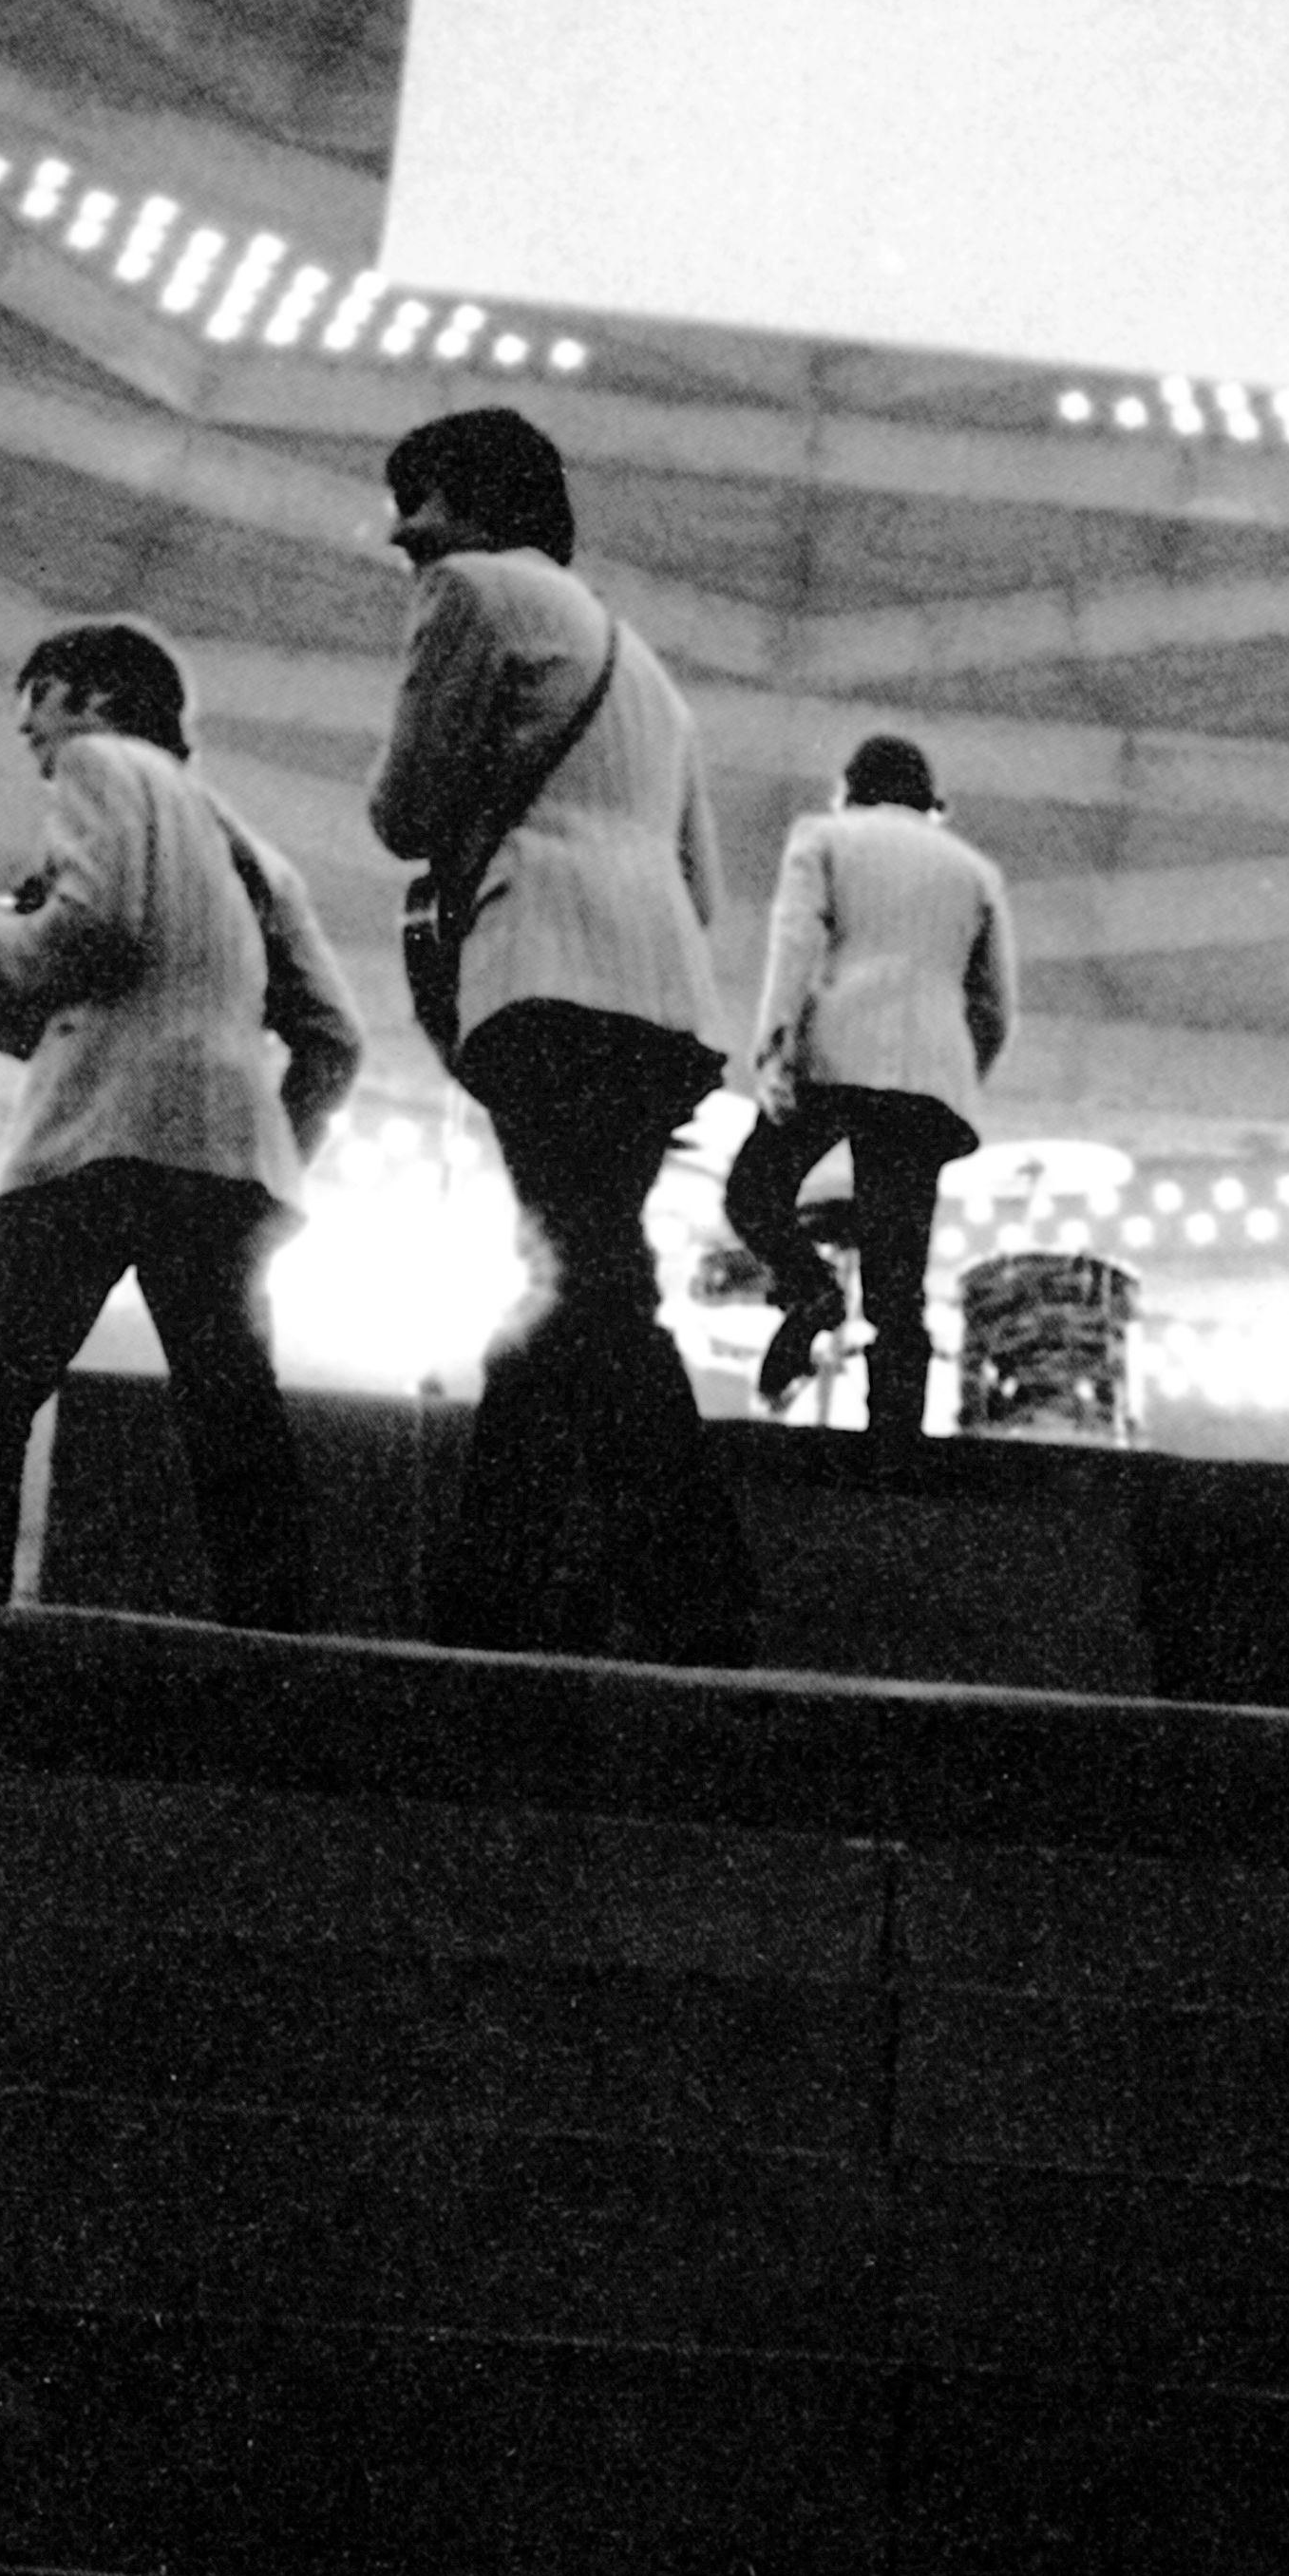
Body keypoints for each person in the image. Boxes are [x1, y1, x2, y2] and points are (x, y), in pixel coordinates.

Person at [368, 407, 757, 1664]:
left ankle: (694, 1595)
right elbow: (703, 882)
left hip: (545, 971)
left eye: (417, 496)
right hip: (659, 994)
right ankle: (502, 1594)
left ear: (480, 503)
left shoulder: (470, 592)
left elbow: (405, 805)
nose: (401, 528)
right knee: (573, 1273)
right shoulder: (643, 665)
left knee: (588, 1282)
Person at [0, 619, 358, 1632]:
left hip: (96, 1142)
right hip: (230, 1161)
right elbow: (335, 1038)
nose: (29, 734)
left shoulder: (96, 764)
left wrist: (2, 942)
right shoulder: (257, 857)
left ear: (94, 701)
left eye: (38, 702)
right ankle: (276, 1648)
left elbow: (98, 927)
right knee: (233, 1418)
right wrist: (272, 1146)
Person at [727, 733, 1016, 1480]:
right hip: (930, 1078)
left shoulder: (822, 836)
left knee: (754, 1193)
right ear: (931, 803)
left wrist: (774, 1046)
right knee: (898, 1281)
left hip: (833, 1053)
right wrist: (957, 1069)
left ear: (848, 788)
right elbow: (995, 1003)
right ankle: (897, 1455)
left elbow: (796, 940)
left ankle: (810, 1289)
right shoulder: (975, 870)